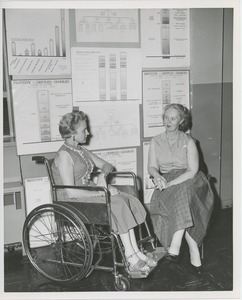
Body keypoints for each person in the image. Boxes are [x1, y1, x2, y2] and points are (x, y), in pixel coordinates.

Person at [51, 110, 157, 274]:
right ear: (72, 134)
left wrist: (102, 176)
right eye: (84, 130)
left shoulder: (81, 151)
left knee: (126, 199)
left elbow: (107, 166)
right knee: (117, 202)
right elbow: (72, 193)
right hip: (72, 200)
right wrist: (103, 192)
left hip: (87, 192)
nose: (88, 133)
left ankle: (136, 251)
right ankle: (130, 256)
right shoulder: (65, 155)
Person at [148, 103, 214, 274]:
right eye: (166, 117)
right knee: (181, 198)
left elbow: (192, 171)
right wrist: (157, 176)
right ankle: (193, 249)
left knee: (183, 191)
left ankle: (175, 244)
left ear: (181, 121)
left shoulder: (189, 141)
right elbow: (152, 167)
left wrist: (169, 184)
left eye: (173, 118)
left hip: (192, 181)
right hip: (167, 181)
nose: (168, 121)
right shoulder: (155, 141)